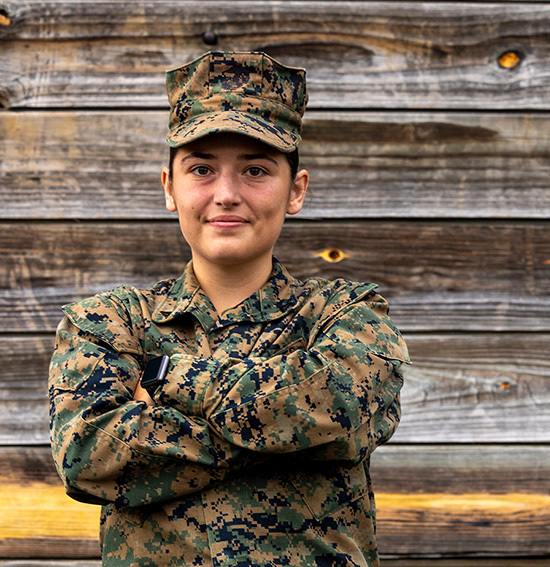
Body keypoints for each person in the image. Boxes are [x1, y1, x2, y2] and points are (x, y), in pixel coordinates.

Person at [49, 51, 409, 567]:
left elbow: (342, 409)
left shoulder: (349, 314)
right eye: (201, 169)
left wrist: (169, 379)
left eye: (256, 170)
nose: (226, 195)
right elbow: (87, 457)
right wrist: (292, 432)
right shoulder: (109, 323)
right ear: (170, 188)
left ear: (296, 191)